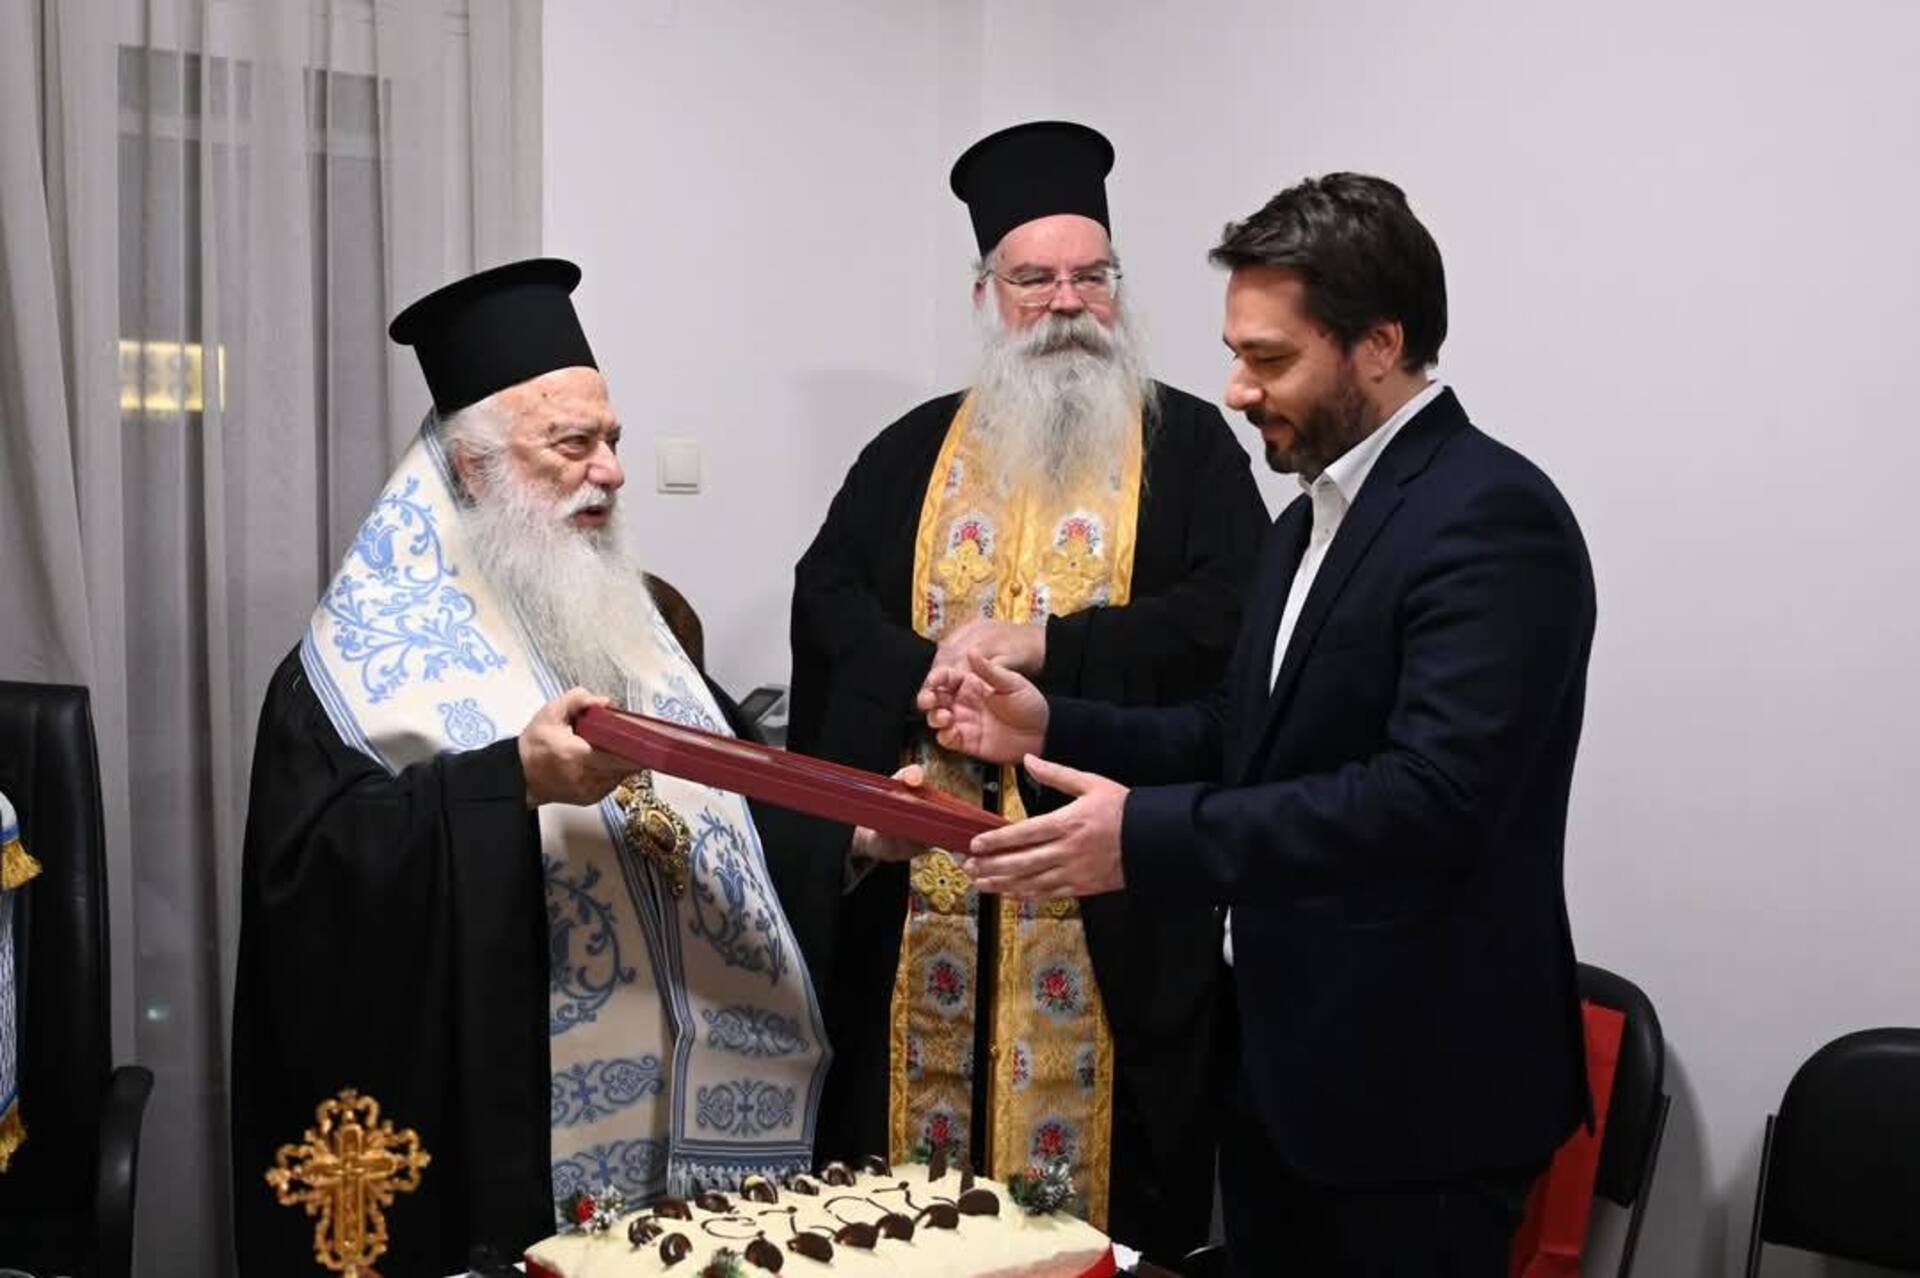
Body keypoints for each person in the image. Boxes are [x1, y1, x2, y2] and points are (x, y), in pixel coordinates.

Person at [926, 174, 1596, 1275]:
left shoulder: (1488, 516)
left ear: (1379, 345)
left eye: (1270, 360)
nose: (1238, 390)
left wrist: (1143, 838)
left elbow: (1428, 798)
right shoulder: (1307, 522)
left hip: (1419, 1097)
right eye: (1237, 354)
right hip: (1288, 1071)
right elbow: (1242, 733)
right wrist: (1051, 723)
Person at [230, 260, 828, 1276]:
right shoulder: (345, 675)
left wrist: (850, 841)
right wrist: (509, 781)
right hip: (512, 1136)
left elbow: (727, 796)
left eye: (613, 440)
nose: (612, 471)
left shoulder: (628, 623)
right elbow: (314, 886)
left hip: (682, 1136)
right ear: (472, 470)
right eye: (573, 444)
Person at [779, 121, 1268, 1264]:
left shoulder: (1190, 446)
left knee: (1110, 1224)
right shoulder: (910, 451)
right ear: (986, 294)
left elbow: (1229, 615)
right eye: (1034, 279)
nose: (1066, 303)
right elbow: (826, 599)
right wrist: (926, 668)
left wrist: (1050, 645)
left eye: (1092, 276)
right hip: (923, 908)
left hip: (1115, 910)